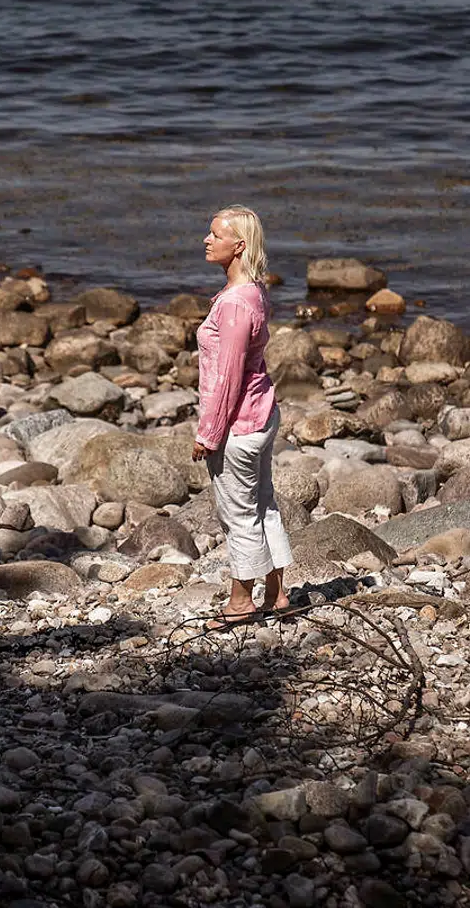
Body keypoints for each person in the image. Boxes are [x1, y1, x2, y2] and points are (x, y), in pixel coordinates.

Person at [191, 205, 294, 629]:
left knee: (239, 514)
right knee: (263, 504)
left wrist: (208, 435)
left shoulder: (235, 304)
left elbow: (228, 377)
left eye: (215, 234)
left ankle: (240, 601)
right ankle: (277, 591)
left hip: (239, 424)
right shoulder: (254, 290)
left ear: (239, 245)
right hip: (261, 414)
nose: (206, 239)